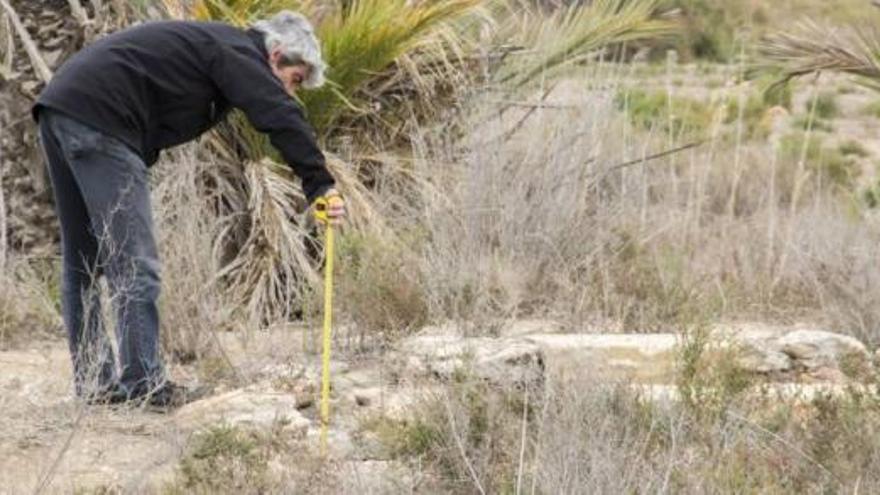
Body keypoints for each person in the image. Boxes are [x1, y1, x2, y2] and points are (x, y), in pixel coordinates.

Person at [32, 11, 346, 409]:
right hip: (102, 120)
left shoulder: (213, 46)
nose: (291, 92)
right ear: (276, 54)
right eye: (295, 79)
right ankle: (143, 386)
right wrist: (320, 183)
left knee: (84, 265)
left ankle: (97, 385)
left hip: (60, 109)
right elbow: (278, 115)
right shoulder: (238, 50)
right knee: (135, 263)